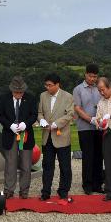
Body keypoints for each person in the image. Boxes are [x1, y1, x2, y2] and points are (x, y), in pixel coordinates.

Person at [0, 76, 37, 199]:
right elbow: (0, 115)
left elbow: (34, 114)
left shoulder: (30, 98)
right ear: (12, 90)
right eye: (16, 92)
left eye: (21, 92)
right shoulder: (4, 98)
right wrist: (10, 125)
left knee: (26, 165)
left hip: (26, 136)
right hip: (9, 135)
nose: (19, 94)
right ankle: (9, 190)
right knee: (10, 164)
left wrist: (26, 123)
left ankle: (24, 191)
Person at [37, 73, 74, 201]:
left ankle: (63, 191)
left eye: (50, 85)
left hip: (62, 137)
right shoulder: (42, 96)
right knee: (47, 166)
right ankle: (45, 192)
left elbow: (70, 115)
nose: (47, 87)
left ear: (57, 85)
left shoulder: (68, 96)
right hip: (47, 137)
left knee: (65, 166)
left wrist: (56, 124)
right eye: (46, 85)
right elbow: (40, 113)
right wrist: (41, 120)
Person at [73, 64, 104, 195]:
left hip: (100, 127)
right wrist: (90, 119)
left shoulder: (99, 88)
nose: (93, 79)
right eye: (90, 76)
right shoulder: (78, 89)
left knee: (99, 155)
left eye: (95, 76)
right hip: (85, 128)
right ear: (85, 74)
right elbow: (77, 108)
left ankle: (98, 184)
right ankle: (87, 185)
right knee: (88, 156)